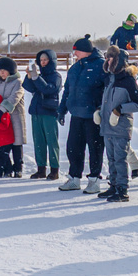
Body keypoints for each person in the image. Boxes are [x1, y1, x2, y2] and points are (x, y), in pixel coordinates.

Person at [58, 35, 108, 193]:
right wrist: (62, 109)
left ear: (85, 51)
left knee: (95, 148)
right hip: (77, 114)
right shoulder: (75, 68)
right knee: (73, 147)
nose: (74, 54)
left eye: (76, 51)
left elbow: (107, 89)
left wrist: (101, 107)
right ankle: (74, 178)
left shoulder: (101, 66)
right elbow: (67, 91)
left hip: (93, 115)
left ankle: (94, 180)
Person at [96, 46, 138, 202]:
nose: (107, 61)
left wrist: (119, 110)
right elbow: (107, 101)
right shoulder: (109, 79)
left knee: (120, 158)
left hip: (121, 126)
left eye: (111, 58)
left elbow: (137, 104)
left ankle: (122, 189)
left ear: (118, 60)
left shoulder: (128, 80)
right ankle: (114, 185)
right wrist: (99, 111)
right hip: (107, 126)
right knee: (111, 158)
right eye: (107, 58)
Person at [22, 50, 63, 180]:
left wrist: (36, 78)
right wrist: (29, 76)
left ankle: (54, 169)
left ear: (51, 61)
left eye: (45, 60)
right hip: (36, 111)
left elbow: (48, 89)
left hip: (49, 112)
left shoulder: (56, 76)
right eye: (41, 60)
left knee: (51, 141)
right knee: (38, 141)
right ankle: (41, 168)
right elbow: (29, 88)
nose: (43, 62)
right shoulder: (39, 75)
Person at [0, 57, 26, 178]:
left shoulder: (17, 82)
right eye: (0, 70)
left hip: (14, 116)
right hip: (0, 119)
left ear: (11, 71)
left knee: (16, 143)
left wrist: (0, 110)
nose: (2, 72)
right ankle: (6, 167)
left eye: (5, 70)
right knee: (3, 143)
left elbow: (13, 98)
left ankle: (18, 167)